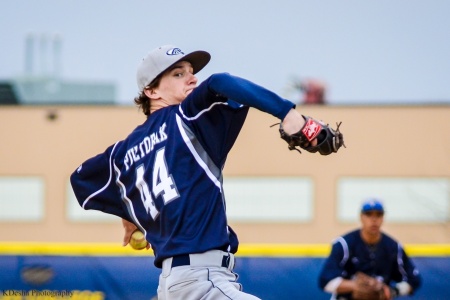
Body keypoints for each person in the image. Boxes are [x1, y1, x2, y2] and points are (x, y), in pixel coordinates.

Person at [70, 44, 336, 300]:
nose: (192, 78)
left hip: (175, 284)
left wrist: (128, 209)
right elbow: (221, 82)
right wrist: (288, 114)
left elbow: (80, 178)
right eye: (178, 73)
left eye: (191, 71)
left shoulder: (121, 153)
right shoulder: (186, 116)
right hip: (201, 280)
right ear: (151, 91)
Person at [318, 198, 422, 300]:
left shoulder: (393, 247)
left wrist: (393, 291)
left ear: (383, 218)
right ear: (361, 217)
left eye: (378, 215)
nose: (374, 219)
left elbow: (414, 279)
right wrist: (355, 285)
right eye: (369, 214)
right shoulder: (344, 244)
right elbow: (325, 281)